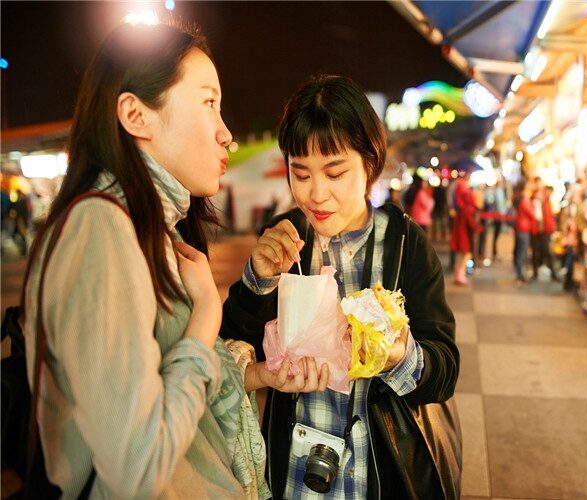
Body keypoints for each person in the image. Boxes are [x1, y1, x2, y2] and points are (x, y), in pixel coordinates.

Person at [22, 20, 302, 498]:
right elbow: (139, 465)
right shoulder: (100, 229)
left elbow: (163, 389)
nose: (226, 133)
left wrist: (253, 374)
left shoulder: (149, 229)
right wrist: (206, 318)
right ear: (135, 115)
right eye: (208, 102)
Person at [219, 75, 460, 498]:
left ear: (369, 163)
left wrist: (398, 353)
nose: (316, 193)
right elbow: (231, 345)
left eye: (335, 172)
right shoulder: (285, 238)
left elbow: (444, 372)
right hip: (294, 474)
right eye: (301, 173)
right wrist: (257, 280)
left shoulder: (405, 245)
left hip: (379, 474)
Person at [451, 174, 478, 285]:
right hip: (465, 229)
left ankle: (459, 273)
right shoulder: (466, 199)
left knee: (463, 252)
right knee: (466, 251)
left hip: (462, 226)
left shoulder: (458, 190)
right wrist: (476, 227)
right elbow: (469, 216)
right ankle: (461, 273)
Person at [530, 182, 558, 281]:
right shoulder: (538, 200)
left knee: (546, 252)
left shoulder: (547, 201)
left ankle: (552, 274)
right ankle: (536, 273)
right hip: (538, 231)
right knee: (537, 252)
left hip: (545, 231)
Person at [513, 181, 534, 286]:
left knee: (520, 252)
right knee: (521, 253)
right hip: (523, 229)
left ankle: (520, 274)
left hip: (521, 228)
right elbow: (531, 213)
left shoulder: (521, 199)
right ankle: (520, 275)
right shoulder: (525, 201)